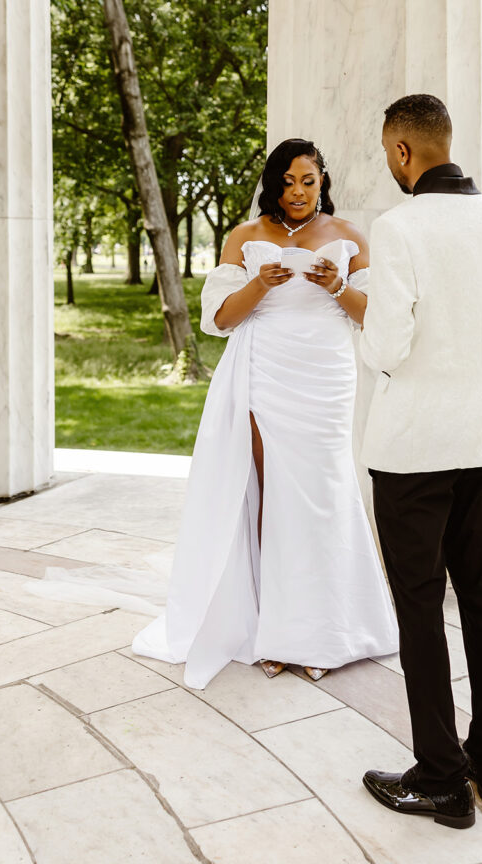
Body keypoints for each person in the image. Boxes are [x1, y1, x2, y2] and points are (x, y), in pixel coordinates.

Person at [131, 138, 398, 688]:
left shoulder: (349, 236)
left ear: (323, 180)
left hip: (324, 375)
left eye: (307, 180)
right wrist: (260, 282)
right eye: (286, 182)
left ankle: (324, 630)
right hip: (264, 373)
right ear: (272, 184)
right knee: (269, 496)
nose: (297, 192)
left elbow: (373, 317)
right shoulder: (246, 237)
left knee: (322, 496)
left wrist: (336, 284)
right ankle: (272, 632)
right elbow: (220, 320)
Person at [359, 95, 482, 829]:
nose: (388, 164)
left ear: (403, 152)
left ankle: (440, 779)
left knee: (418, 609)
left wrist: (372, 312)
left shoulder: (397, 227)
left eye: (386, 153)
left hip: (412, 452)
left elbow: (385, 348)